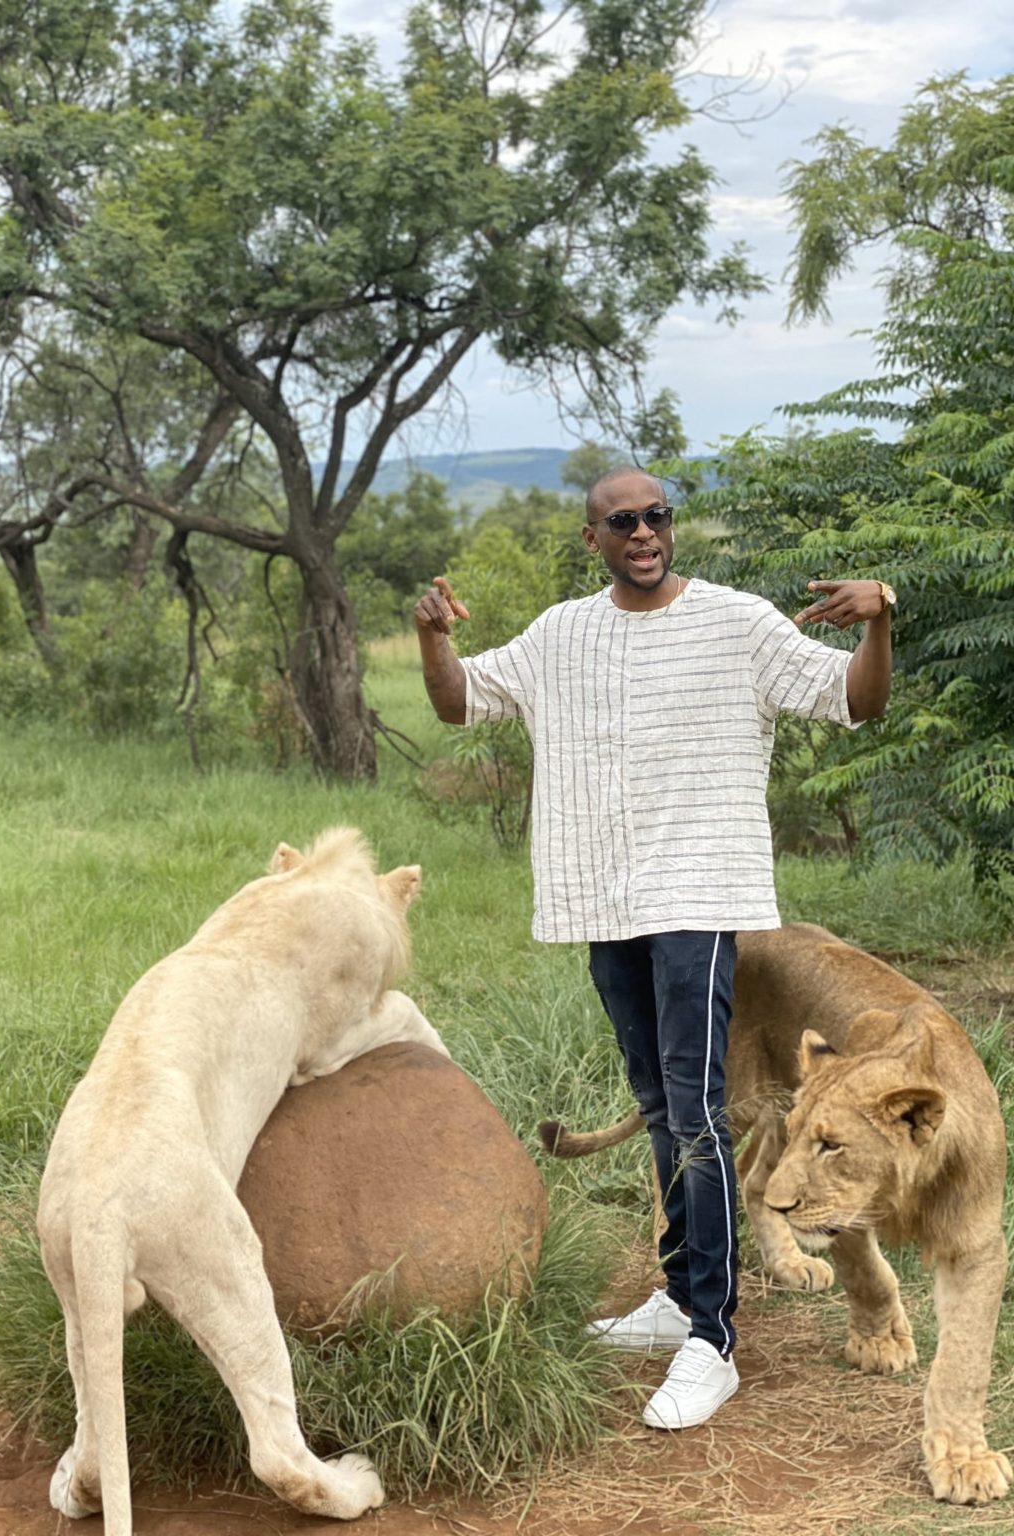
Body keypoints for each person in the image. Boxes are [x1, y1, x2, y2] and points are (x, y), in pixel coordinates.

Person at [414, 465, 893, 1432]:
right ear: (593, 539)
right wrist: (432, 639)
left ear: (672, 527)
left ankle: (712, 1339)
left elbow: (855, 699)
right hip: (605, 901)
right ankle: (679, 1292)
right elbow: (461, 702)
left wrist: (879, 620)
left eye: (657, 517)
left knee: (697, 1111)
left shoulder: (738, 623)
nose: (643, 532)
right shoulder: (561, 635)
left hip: (699, 898)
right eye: (622, 521)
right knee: (658, 1102)